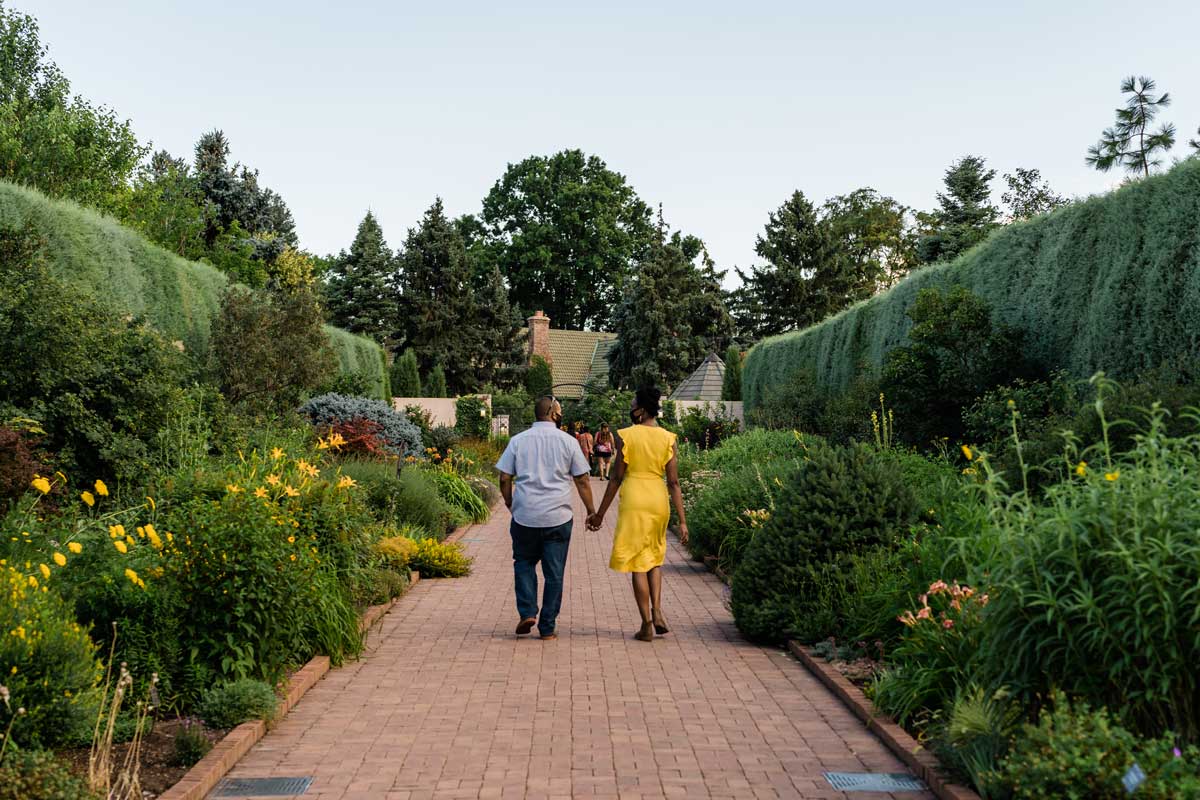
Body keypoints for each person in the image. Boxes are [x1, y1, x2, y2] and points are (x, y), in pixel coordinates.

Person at [587, 388, 689, 642]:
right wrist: (683, 521)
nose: (631, 407)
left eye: (634, 404)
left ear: (642, 410)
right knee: (654, 558)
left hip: (635, 499)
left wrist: (599, 514)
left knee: (637, 564)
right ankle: (657, 610)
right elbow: (674, 483)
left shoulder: (626, 436)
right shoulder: (668, 438)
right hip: (657, 500)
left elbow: (616, 478)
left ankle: (646, 625)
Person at [496, 396, 595, 640]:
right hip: (558, 517)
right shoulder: (568, 442)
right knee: (554, 573)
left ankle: (528, 611)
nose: (562, 413)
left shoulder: (518, 441)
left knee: (523, 562)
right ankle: (547, 627)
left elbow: (504, 477)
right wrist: (592, 511)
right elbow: (582, 479)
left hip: (524, 516)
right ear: (552, 413)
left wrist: (510, 502)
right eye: (559, 409)